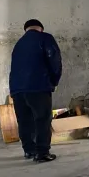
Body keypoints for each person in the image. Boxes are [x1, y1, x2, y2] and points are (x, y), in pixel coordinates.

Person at [9, 19, 62, 162]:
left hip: (17, 89)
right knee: (42, 119)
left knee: (24, 121)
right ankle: (42, 153)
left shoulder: (18, 44)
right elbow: (54, 60)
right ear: (41, 28)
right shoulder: (45, 38)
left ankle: (29, 151)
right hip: (38, 86)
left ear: (26, 30)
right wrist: (54, 81)